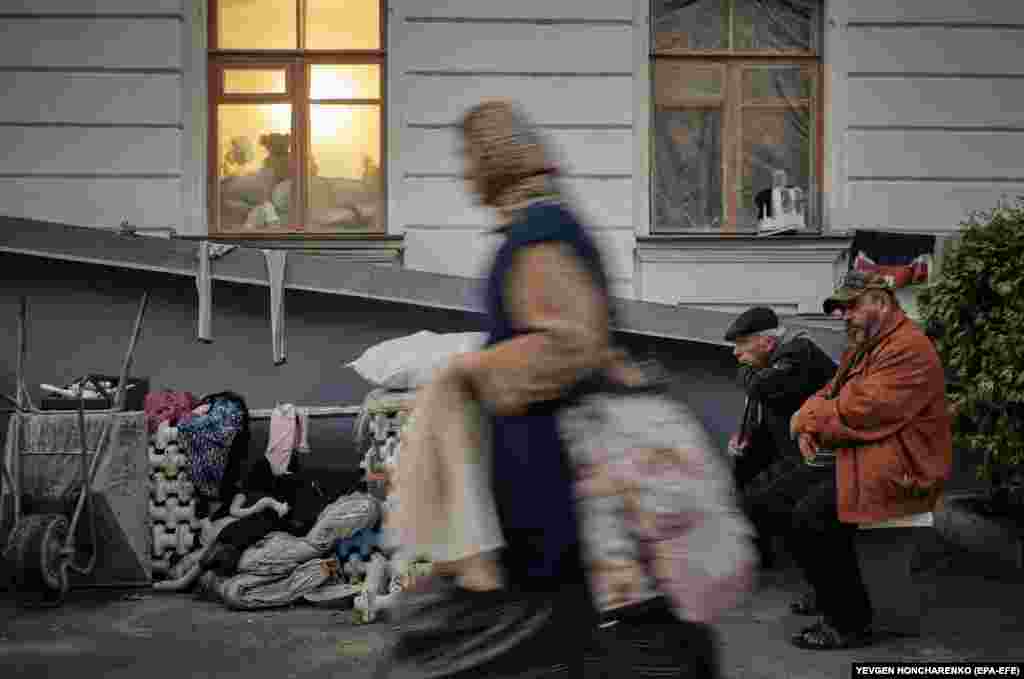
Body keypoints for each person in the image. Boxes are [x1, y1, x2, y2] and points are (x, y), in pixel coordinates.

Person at [781, 271, 952, 650]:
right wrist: (808, 418)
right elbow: (831, 392)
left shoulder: (909, 347)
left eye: (851, 306)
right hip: (872, 453)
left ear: (882, 302)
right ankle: (825, 592)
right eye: (840, 309)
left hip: (904, 467)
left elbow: (864, 410)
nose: (844, 316)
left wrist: (806, 420)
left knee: (812, 517)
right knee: (776, 495)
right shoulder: (868, 343)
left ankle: (849, 623)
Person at [724, 306, 837, 568]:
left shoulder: (798, 351)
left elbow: (760, 386)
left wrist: (751, 375)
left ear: (768, 342)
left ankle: (820, 584)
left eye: (742, 344)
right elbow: (765, 394)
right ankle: (761, 558)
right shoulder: (772, 359)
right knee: (745, 468)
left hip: (826, 461)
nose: (735, 352)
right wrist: (744, 437)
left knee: (785, 508)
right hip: (795, 450)